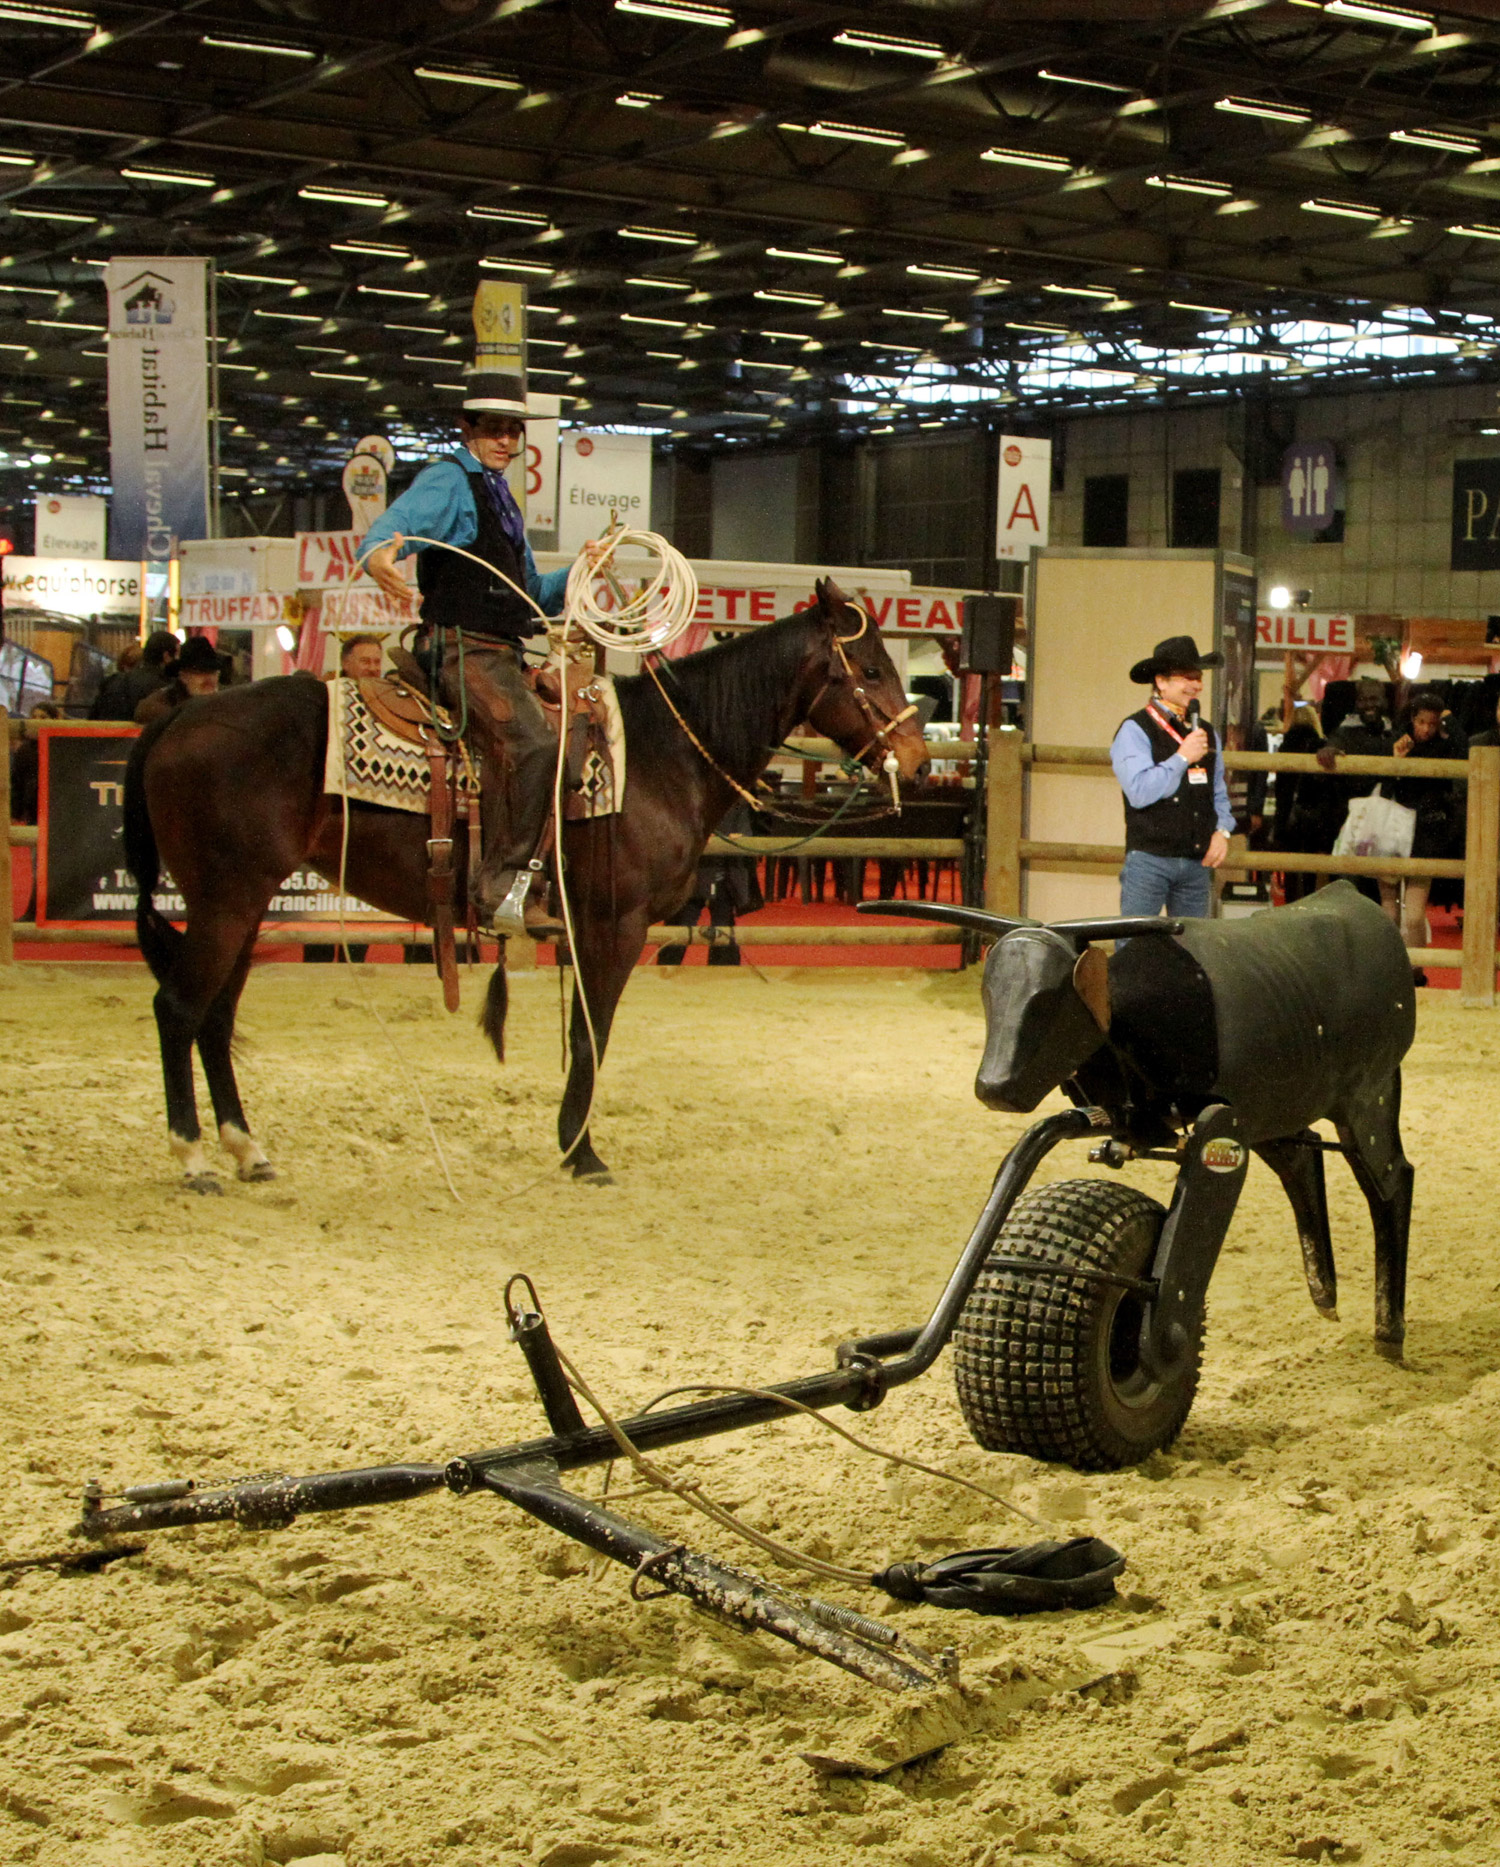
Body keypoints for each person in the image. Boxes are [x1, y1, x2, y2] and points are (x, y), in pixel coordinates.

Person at [360, 376, 594, 939]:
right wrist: (380, 557)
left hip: (498, 649)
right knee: (535, 744)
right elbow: (392, 531)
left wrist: (580, 570)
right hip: (464, 649)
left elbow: (529, 591)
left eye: (514, 431)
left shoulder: (499, 497)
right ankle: (502, 890)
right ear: (467, 429)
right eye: (495, 429)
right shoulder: (449, 480)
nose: (507, 441)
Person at [1110, 635, 1235, 920]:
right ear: (1161, 682)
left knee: (1193, 948)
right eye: (1186, 677)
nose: (1196, 684)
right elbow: (1140, 791)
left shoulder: (1204, 730)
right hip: (1149, 860)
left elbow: (1218, 791)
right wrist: (1182, 758)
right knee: (1137, 945)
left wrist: (1222, 830)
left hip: (1196, 862)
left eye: (1198, 676)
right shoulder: (1135, 729)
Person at [1379, 690, 1465, 982]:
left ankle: (1415, 973)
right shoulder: (1396, 742)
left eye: (1432, 722)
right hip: (1392, 831)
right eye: (1421, 721)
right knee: (1389, 911)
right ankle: (1388, 971)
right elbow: (1384, 790)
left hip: (1426, 835)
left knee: (1415, 915)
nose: (1426, 728)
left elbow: (1465, 749)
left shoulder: (1446, 747)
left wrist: (1450, 719)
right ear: (1412, 719)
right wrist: (1395, 761)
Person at [1272, 704, 1341, 904]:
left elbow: (1280, 790)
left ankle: (1291, 905)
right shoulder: (1322, 746)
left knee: (1293, 872)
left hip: (1288, 817)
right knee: (1313, 871)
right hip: (1315, 816)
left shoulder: (1285, 747)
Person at [89, 629, 177, 721]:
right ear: (166, 656)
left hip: (108, 733)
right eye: (177, 655)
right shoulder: (167, 688)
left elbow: (93, 717)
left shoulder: (112, 681)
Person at [134, 634, 223, 724]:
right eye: (200, 673)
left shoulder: (224, 699)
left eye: (213, 673)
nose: (209, 679)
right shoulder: (168, 698)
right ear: (184, 677)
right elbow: (145, 710)